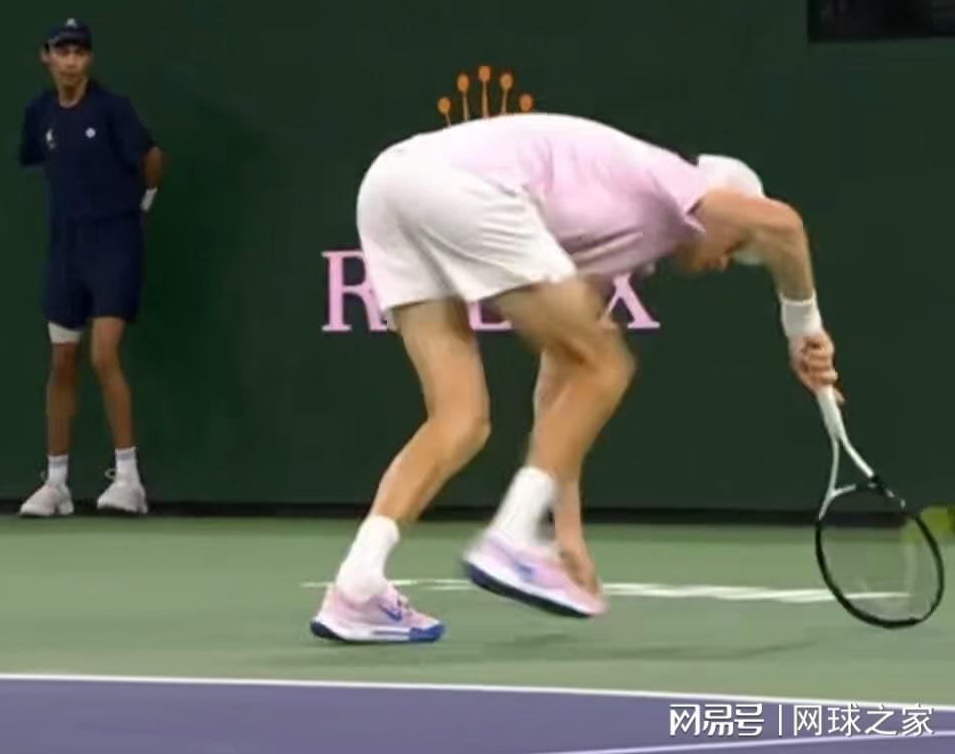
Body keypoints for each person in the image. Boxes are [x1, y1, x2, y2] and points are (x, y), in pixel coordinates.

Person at [310, 113, 840, 643]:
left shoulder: (616, 236)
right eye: (738, 247)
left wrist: (567, 534)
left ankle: (357, 586)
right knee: (608, 363)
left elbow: (561, 386)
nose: (727, 262)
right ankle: (510, 538)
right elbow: (784, 226)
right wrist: (804, 328)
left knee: (461, 418)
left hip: (389, 186)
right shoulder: (677, 181)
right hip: (457, 186)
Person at [17, 19, 164, 518]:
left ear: (89, 59)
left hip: (115, 243)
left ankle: (128, 480)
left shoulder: (112, 109)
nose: (71, 61)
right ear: (47, 57)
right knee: (62, 360)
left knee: (103, 355)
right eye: (62, 52)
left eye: (79, 52)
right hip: (66, 249)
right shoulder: (40, 114)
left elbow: (152, 158)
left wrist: (141, 203)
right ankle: (56, 485)